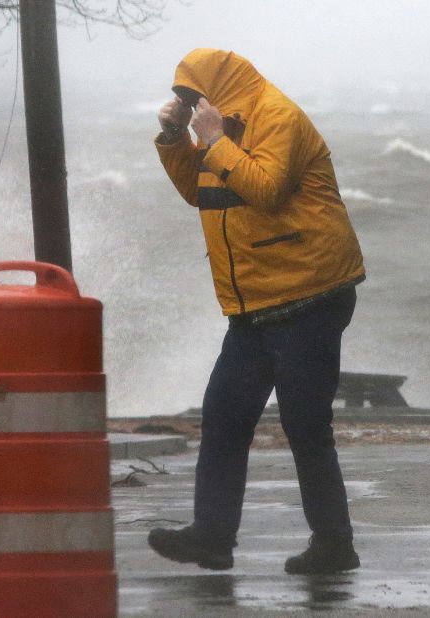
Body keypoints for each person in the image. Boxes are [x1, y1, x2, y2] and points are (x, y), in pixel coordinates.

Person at [147, 48, 366, 575]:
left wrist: (215, 138)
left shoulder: (276, 116)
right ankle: (212, 538)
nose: (188, 103)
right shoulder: (224, 126)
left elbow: (267, 190)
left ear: (218, 88)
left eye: (191, 95)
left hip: (309, 293)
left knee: (305, 424)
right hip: (254, 303)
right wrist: (178, 139)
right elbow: (202, 194)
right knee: (223, 417)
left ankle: (335, 545)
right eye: (182, 97)